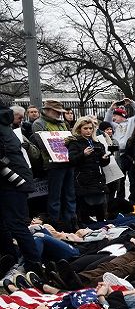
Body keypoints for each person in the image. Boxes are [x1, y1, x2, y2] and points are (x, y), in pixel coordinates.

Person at [0, 105, 40, 275]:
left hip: (12, 181)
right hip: (14, 179)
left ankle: (33, 264)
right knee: (6, 224)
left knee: (16, 225)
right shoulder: (4, 124)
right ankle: (11, 258)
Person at [32, 100, 76, 229]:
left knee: (70, 194)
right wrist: (65, 142)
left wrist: (70, 141)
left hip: (67, 162)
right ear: (47, 110)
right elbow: (43, 145)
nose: (58, 114)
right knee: (55, 196)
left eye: (59, 112)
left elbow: (70, 141)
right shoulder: (39, 124)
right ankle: (55, 224)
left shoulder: (63, 124)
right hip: (53, 165)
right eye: (56, 112)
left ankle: (71, 222)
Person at [65, 117, 111, 222]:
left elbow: (103, 163)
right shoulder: (75, 143)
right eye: (85, 128)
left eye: (90, 128)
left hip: (97, 178)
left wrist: (105, 158)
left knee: (100, 207)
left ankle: (101, 226)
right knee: (84, 208)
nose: (88, 131)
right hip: (82, 179)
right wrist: (83, 154)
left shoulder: (97, 142)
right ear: (79, 129)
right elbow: (72, 160)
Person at [104, 97, 135, 200]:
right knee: (120, 180)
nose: (113, 118)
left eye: (115, 116)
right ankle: (120, 199)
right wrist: (111, 109)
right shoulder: (115, 126)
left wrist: (132, 103)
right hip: (118, 154)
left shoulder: (131, 121)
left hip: (129, 154)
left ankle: (133, 199)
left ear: (121, 116)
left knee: (133, 179)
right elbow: (106, 122)